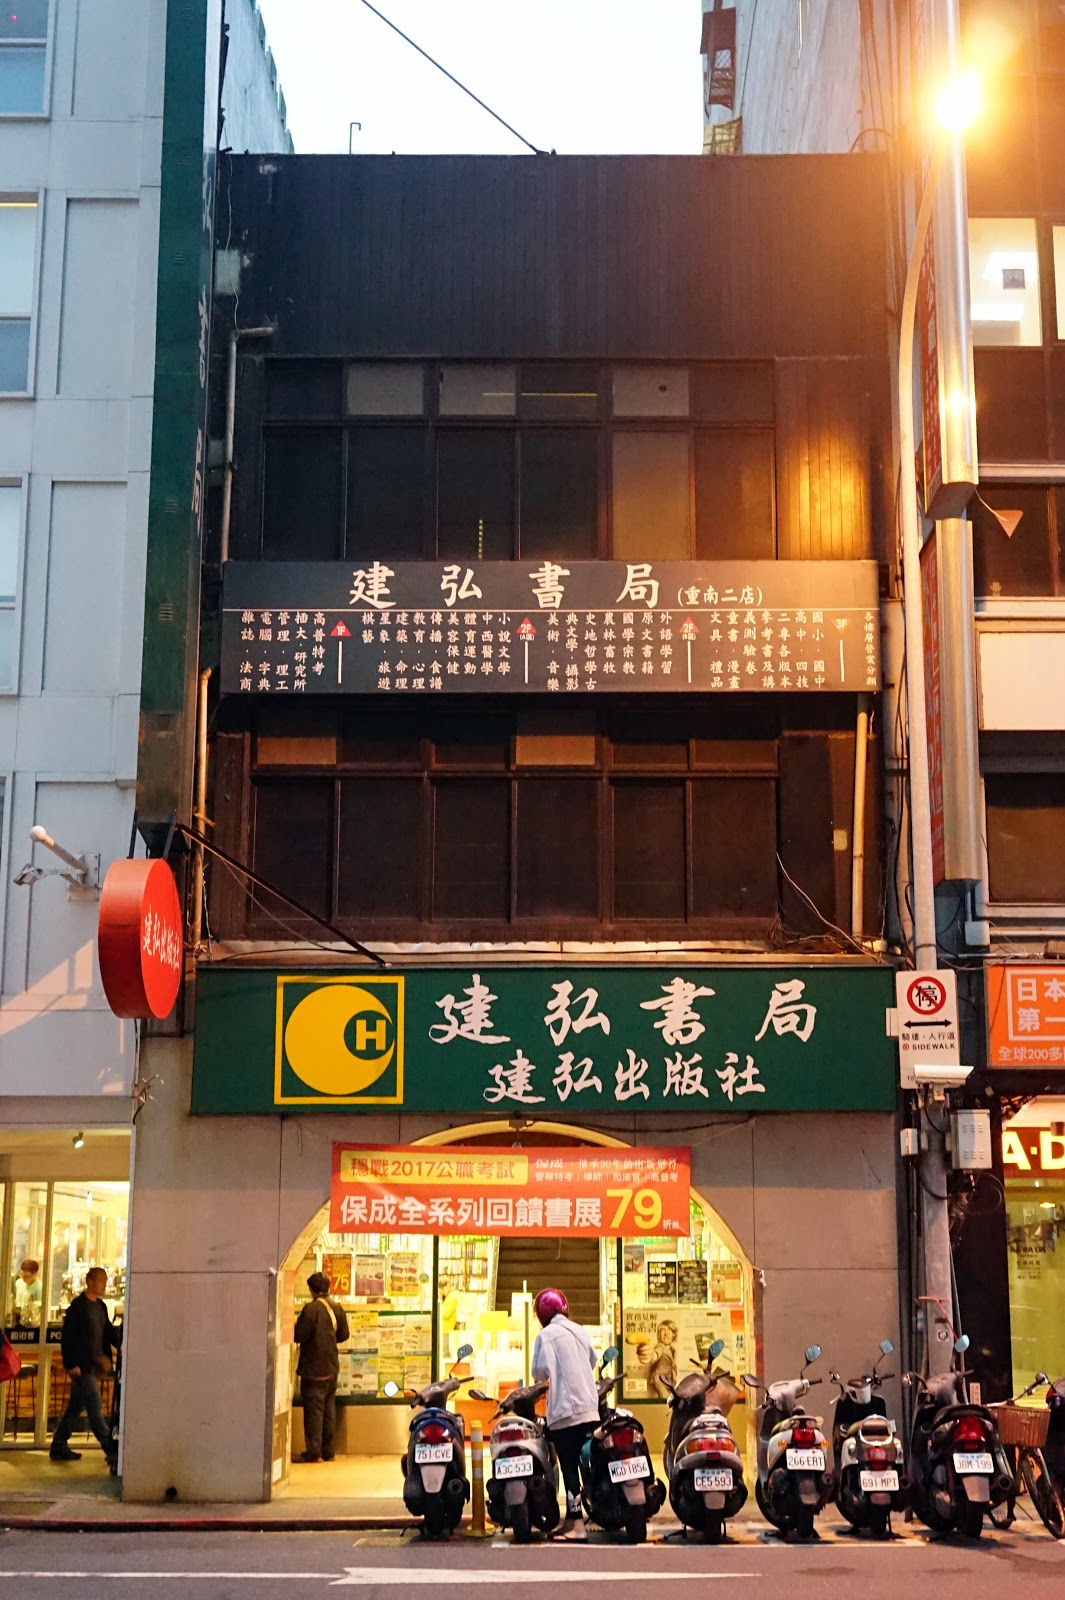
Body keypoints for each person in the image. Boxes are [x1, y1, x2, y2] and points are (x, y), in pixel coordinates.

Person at [530, 1286, 600, 1541]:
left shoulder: (545, 1336)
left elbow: (539, 1373)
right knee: (584, 1462)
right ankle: (572, 1520)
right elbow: (593, 1360)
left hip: (565, 1411)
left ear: (541, 1314)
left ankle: (577, 1525)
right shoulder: (580, 1330)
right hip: (589, 1407)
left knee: (569, 1468)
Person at [50, 1266, 120, 1466]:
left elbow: (107, 1331)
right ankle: (111, 1449)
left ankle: (58, 1444)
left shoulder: (100, 1306)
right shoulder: (78, 1307)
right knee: (95, 1408)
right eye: (101, 1281)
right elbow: (68, 1337)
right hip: (82, 1365)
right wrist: (71, 1363)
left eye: (105, 1281)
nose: (104, 1285)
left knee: (75, 1406)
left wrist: (121, 1342)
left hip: (94, 1364)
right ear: (90, 1282)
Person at [294, 1270, 350, 1463]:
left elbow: (299, 1335)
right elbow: (344, 1335)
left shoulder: (311, 1309)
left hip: (313, 1367)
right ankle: (328, 1451)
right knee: (328, 1408)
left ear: (312, 1289)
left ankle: (313, 1452)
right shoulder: (337, 1307)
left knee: (314, 1410)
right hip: (331, 1366)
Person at [648, 1319, 678, 1399]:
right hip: (659, 1380)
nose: (666, 1333)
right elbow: (657, 1353)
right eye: (663, 1330)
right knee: (666, 1400)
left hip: (669, 1380)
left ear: (673, 1334)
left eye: (669, 1330)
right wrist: (653, 1356)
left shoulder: (673, 1350)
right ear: (659, 1334)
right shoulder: (660, 1347)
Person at [14, 1260, 42, 1329]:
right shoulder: (18, 1283)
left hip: (30, 1323)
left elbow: (38, 1309)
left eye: (27, 1276)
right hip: (17, 1318)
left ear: (35, 1274)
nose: (24, 1278)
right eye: (22, 1275)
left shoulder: (39, 1287)